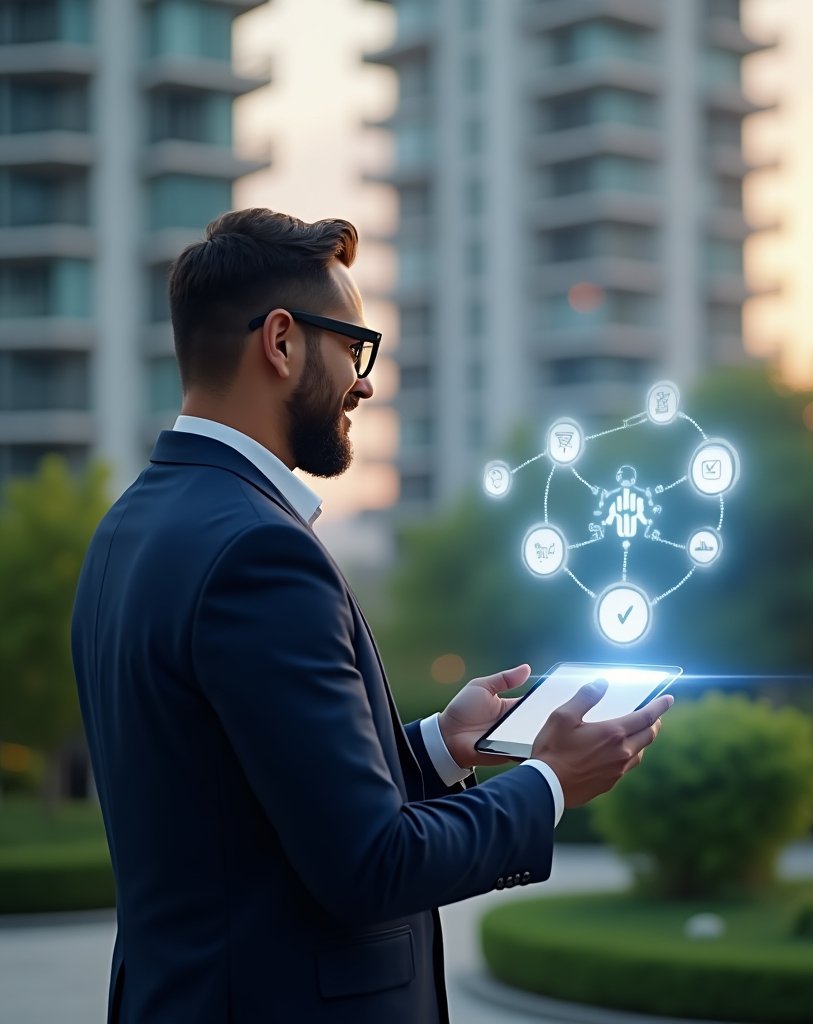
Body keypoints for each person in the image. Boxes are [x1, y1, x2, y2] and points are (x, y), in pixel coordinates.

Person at [70, 208, 673, 1024]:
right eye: (354, 347)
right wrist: (549, 784)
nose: (365, 381)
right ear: (281, 342)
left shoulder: (128, 530)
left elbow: (239, 804)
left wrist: (433, 749)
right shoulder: (259, 553)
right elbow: (370, 867)